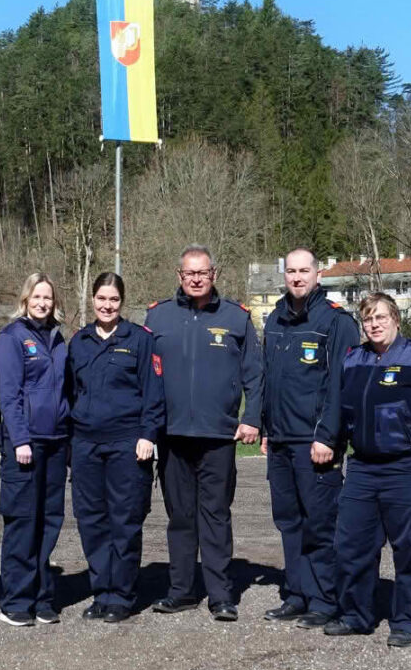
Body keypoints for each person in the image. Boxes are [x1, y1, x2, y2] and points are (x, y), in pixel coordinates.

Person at [311, 292, 411, 648]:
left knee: (410, 548)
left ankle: (407, 621)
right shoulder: (353, 360)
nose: (374, 324)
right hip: (363, 468)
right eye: (367, 319)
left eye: (380, 317)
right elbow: (337, 409)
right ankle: (356, 615)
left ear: (395, 319)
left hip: (410, 468)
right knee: (351, 546)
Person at [144, 244, 262, 622]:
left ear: (215, 275)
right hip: (172, 435)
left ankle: (220, 595)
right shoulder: (157, 317)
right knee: (179, 516)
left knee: (215, 515)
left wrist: (253, 418)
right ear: (179, 276)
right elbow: (143, 377)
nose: (196, 278)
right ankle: (181, 591)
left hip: (218, 436)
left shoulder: (236, 318)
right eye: (189, 273)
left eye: (203, 272)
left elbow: (255, 375)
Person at [260, 249, 359, 629]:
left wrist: (328, 437)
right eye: (291, 271)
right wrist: (268, 429)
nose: (297, 277)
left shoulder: (336, 322)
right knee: (289, 521)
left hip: (315, 443)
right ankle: (297, 593)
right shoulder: (275, 320)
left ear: (318, 275)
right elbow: (270, 381)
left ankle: (324, 599)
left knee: (320, 522)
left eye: (304, 271)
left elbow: (341, 387)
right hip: (282, 441)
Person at [67, 272, 165, 623]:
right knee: (91, 522)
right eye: (101, 299)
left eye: (114, 300)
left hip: (127, 444)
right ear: (92, 299)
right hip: (86, 446)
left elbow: (154, 394)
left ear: (122, 303)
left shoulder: (139, 340)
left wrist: (148, 436)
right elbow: (69, 394)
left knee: (124, 521)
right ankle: (102, 592)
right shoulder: (78, 342)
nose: (107, 305)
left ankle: (122, 596)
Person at [0, 273, 70, 626]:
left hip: (56, 442)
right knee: (23, 522)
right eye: (37, 297)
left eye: (48, 298)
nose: (43, 303)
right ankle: (15, 600)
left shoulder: (57, 338)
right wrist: (20, 438)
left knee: (49, 522)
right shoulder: (12, 338)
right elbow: (9, 395)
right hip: (26, 444)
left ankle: (42, 597)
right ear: (25, 299)